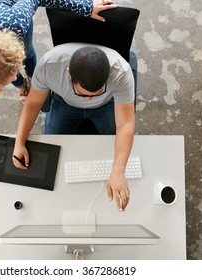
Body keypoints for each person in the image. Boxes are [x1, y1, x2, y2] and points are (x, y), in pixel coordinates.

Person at [12, 43, 135, 211]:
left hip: (106, 105)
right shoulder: (49, 65)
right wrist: (19, 142)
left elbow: (125, 124)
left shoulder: (121, 71)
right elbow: (33, 103)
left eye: (96, 92)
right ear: (69, 73)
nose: (89, 99)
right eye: (83, 93)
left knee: (118, 152)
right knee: (50, 150)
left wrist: (119, 170)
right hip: (64, 102)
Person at [0, 0, 118, 111]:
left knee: (28, 52)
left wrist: (86, 7)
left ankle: (34, 79)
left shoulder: (15, 22)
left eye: (13, 70)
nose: (14, 75)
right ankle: (23, 88)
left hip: (6, 11)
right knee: (9, 71)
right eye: (9, 78)